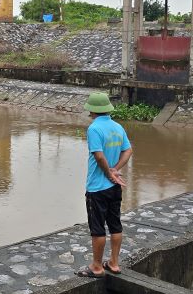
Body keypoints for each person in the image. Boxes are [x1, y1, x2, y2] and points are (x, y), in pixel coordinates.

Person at [76, 92, 133, 278]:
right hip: (115, 186)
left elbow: (98, 156)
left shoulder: (94, 129)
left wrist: (109, 172)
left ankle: (97, 266)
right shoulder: (117, 127)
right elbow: (128, 150)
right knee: (115, 224)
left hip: (97, 188)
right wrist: (115, 169)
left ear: (92, 110)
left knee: (98, 228)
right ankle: (114, 263)